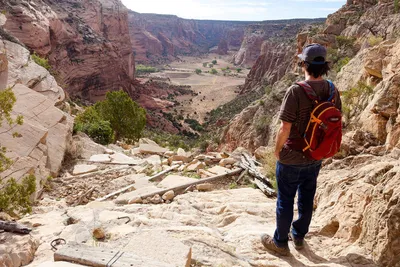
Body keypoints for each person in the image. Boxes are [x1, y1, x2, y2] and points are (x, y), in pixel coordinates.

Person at [261, 43, 342, 256]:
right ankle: (298, 237)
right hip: (316, 155)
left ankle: (280, 242)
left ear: (303, 65)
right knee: (307, 198)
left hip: (292, 156)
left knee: (285, 200)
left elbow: (284, 127)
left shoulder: (296, 91)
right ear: (325, 66)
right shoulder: (332, 90)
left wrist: (277, 151)